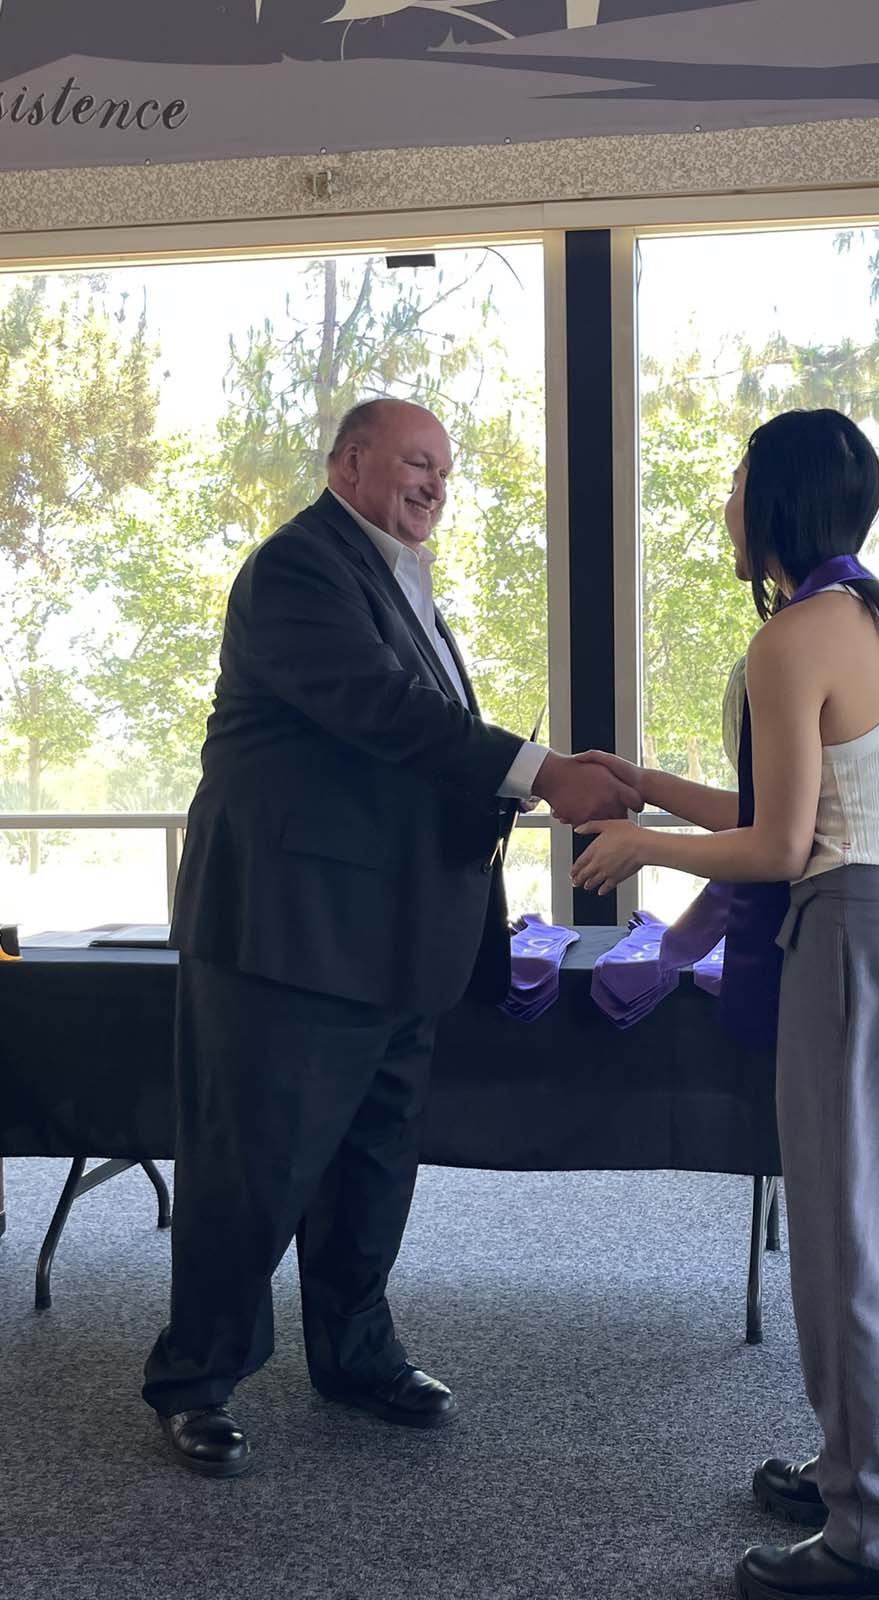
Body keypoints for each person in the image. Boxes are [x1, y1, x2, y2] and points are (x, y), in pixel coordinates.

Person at [143, 397, 639, 1476]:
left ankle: (356, 1354)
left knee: (373, 1161)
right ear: (352, 460)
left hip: (395, 931)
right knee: (254, 1167)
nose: (434, 486)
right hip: (292, 931)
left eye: (445, 472)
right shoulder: (298, 567)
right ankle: (197, 1378)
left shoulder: (398, 578)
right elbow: (379, 709)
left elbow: (407, 754)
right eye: (418, 462)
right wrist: (541, 771)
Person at [573, 409, 879, 1600]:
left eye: (738, 481)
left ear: (782, 500)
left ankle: (871, 1534)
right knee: (872, 1227)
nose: (726, 503)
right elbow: (814, 808)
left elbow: (783, 846)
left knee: (841, 1242)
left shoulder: (792, 637)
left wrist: (640, 840)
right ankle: (857, 1462)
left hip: (855, 935)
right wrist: (649, 781)